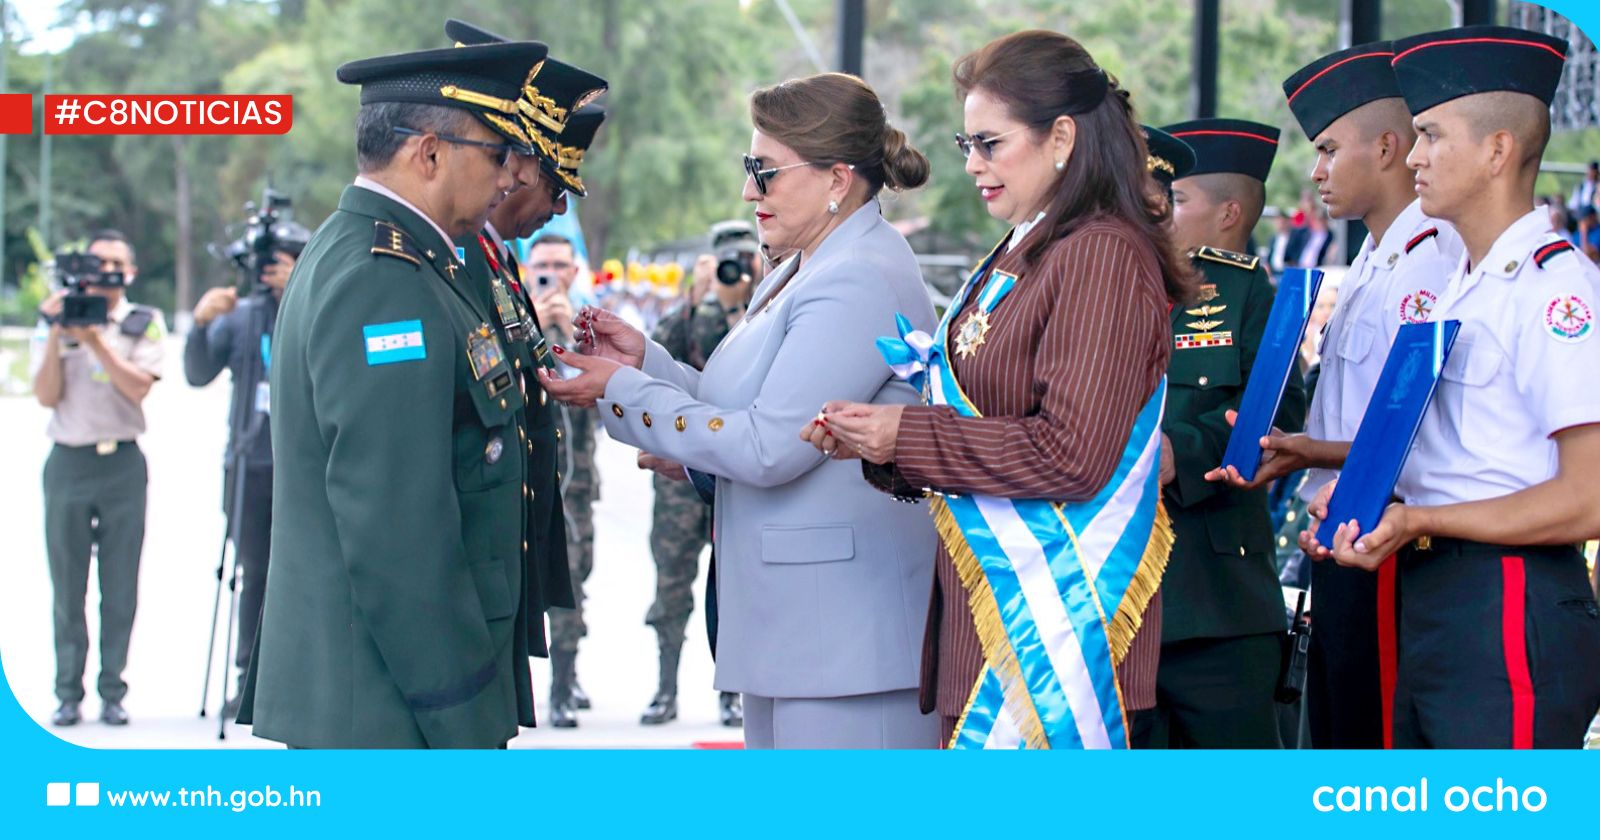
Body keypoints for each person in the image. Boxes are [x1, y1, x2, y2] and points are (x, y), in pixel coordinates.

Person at [806, 31, 1189, 749]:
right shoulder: (1030, 246)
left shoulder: (1099, 254)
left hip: (1053, 638)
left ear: (1062, 137)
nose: (973, 165)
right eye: (966, 144)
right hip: (997, 626)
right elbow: (987, 418)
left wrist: (905, 435)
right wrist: (883, 445)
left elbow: (1073, 455)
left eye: (990, 143)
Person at [542, 71, 939, 748]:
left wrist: (622, 390)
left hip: (843, 641)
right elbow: (752, 405)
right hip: (803, 630)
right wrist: (646, 364)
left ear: (838, 179)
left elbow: (769, 444)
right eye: (749, 167)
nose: (748, 190)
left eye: (766, 171)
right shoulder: (809, 262)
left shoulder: (857, 275)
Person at [237, 40, 550, 749]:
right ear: (430, 153)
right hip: (391, 707)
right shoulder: (385, 279)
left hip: (389, 693)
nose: (510, 178)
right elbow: (396, 527)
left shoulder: (395, 256)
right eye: (498, 151)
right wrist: (461, 710)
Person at [1305, 25, 1600, 748]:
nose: (1413, 157)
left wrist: (1421, 520)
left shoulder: (1555, 290)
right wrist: (1373, 499)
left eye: (1433, 136)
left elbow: (1589, 497)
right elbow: (1453, 457)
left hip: (1506, 598)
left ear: (1498, 151)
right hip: (1435, 591)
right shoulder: (1463, 287)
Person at [1208, 42, 1463, 749]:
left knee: (1374, 741)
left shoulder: (1434, 260)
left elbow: (1423, 433)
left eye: (1327, 149)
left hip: (1387, 538)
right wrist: (1297, 453)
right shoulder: (1374, 260)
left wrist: (1307, 450)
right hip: (1342, 534)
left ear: (1387, 147)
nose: (1315, 172)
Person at [443, 17, 609, 731]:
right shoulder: (456, 256)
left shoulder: (494, 256)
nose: (557, 209)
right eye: (555, 183)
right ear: (516, 166)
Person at [1130, 118, 1304, 748]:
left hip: (1218, 597)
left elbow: (1283, 413)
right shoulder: (1109, 284)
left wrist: (1187, 451)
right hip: (1118, 600)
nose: (1157, 214)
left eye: (1175, 201)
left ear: (1229, 212)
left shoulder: (1245, 292)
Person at [31, 230, 166, 728]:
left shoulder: (141, 322)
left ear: (129, 271)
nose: (105, 270)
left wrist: (97, 342)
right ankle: (68, 692)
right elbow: (45, 395)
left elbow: (137, 390)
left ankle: (113, 690)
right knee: (68, 588)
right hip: (68, 463)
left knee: (120, 586)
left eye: (116, 263)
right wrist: (57, 333)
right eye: (98, 260)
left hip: (121, 466)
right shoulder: (56, 315)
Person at [184, 239, 305, 717]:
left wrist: (297, 287)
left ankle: (303, 676)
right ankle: (248, 677)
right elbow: (196, 373)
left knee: (308, 572)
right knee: (254, 572)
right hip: (250, 461)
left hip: (303, 463)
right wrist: (199, 325)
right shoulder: (240, 318)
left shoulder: (310, 303)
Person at [640, 239, 757, 727]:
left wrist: (742, 304)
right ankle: (665, 688)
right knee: (671, 584)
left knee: (735, 586)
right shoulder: (690, 313)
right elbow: (654, 358)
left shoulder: (764, 310)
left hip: (737, 470)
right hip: (680, 479)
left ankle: (731, 693)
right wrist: (694, 298)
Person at [524, 230, 605, 726]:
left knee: (574, 580)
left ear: (575, 272)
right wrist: (536, 332)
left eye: (560, 264)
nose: (551, 273)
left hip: (574, 483)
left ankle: (564, 681)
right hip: (527, 475)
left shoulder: (591, 326)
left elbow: (609, 403)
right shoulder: (510, 316)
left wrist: (567, 340)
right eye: (542, 265)